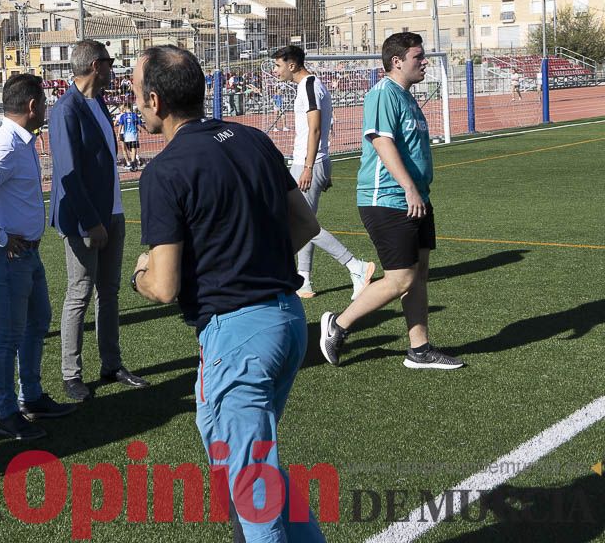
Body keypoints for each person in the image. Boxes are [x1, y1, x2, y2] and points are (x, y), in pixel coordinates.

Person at [130, 45, 325, 543]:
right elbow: (303, 224)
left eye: (135, 92)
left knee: (251, 490)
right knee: (251, 468)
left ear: (155, 100)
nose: (133, 102)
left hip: (238, 339)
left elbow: (165, 286)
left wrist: (139, 274)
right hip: (285, 322)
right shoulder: (251, 139)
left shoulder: (164, 171)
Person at [320, 33, 465, 370]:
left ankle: (419, 350)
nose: (425, 62)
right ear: (397, 61)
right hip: (387, 198)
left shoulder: (408, 97)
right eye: (419, 56)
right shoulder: (384, 94)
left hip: (416, 199)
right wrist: (409, 188)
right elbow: (383, 143)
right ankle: (337, 326)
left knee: (419, 274)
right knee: (400, 278)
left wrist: (418, 192)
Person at [0, 73, 75, 440]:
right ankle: (7, 413)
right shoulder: (6, 144)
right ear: (32, 107)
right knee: (9, 335)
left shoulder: (21, 140)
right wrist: (0, 236)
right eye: (43, 103)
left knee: (38, 320)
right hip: (9, 255)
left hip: (27, 252)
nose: (44, 109)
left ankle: (31, 397)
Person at [49, 41, 149, 404]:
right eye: (109, 63)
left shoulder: (98, 102)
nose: (113, 69)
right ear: (95, 65)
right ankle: (71, 374)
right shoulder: (65, 110)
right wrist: (92, 222)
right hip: (84, 220)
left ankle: (112, 363)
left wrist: (109, 215)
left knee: (109, 292)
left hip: (113, 212)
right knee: (79, 293)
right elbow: (68, 173)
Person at [271, 45, 376, 300]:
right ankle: (304, 279)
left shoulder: (309, 86)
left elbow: (316, 129)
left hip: (309, 163)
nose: (275, 71)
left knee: (302, 223)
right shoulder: (309, 86)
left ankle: (355, 266)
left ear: (292, 65)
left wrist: (308, 167)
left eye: (278, 65)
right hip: (314, 161)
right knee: (304, 221)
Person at [115, 102, 145, 171]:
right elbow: (140, 123)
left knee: (130, 149)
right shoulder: (134, 115)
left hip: (126, 136)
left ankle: (132, 164)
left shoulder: (123, 116)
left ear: (125, 108)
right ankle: (134, 163)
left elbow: (120, 125)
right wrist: (146, 129)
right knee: (133, 148)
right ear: (131, 107)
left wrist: (118, 134)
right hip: (133, 135)